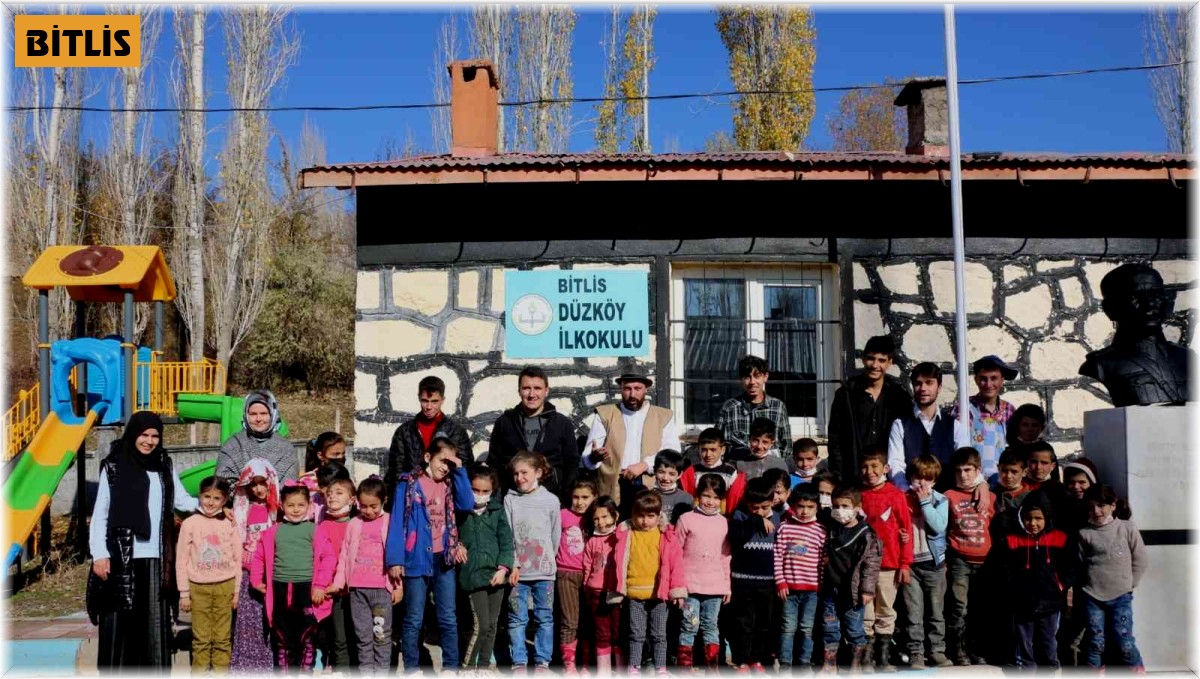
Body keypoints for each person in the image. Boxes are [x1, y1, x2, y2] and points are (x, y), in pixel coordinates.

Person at [87, 411, 201, 672]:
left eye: (155, 436)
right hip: (120, 557)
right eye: (144, 435)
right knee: (119, 625)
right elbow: (101, 512)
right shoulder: (114, 465)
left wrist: (213, 508)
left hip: (156, 557)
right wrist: (100, 554)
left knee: (153, 626)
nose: (149, 441)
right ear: (133, 433)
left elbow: (181, 500)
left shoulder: (164, 464)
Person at [386, 437, 473, 673]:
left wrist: (460, 470)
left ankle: (451, 668)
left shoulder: (451, 483)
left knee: (448, 617)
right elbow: (396, 521)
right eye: (442, 460)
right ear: (427, 457)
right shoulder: (408, 483)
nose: (446, 466)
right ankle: (413, 668)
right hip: (415, 558)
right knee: (413, 619)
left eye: (450, 463)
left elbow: (466, 504)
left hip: (443, 558)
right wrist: (395, 559)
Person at [1079, 262, 1193, 407]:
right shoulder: (1101, 366)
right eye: (1135, 297)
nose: (1150, 303)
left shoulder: (1187, 358)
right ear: (1110, 308)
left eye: (1156, 294)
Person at [249, 482, 327, 672]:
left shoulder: (314, 530)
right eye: (291, 505)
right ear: (282, 507)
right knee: (283, 636)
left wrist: (320, 585)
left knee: (307, 636)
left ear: (309, 506)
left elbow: (328, 558)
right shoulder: (273, 531)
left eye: (301, 505)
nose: (296, 509)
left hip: (306, 589)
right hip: (280, 589)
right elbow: (259, 556)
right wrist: (256, 580)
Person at [998, 491, 1077, 670]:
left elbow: (1071, 565)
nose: (1033, 523)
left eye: (1038, 518)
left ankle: (1050, 669)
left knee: (1049, 641)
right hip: (1022, 602)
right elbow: (1003, 567)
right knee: (1024, 642)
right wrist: (1014, 587)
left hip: (1051, 601)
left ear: (1047, 517)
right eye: (1028, 518)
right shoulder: (1011, 540)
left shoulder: (1060, 538)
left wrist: (1061, 584)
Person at [330, 477, 400, 676]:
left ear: (384, 501)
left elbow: (396, 556)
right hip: (357, 591)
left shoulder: (389, 521)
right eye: (363, 506)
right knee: (363, 637)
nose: (368, 511)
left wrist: (398, 586)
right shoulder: (353, 523)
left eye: (373, 506)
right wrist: (339, 582)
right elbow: (345, 554)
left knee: (381, 636)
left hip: (381, 590)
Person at [581, 373, 681, 507]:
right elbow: (588, 456)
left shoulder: (663, 416)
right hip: (613, 483)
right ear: (620, 389)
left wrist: (645, 465)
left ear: (646, 389)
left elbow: (672, 452)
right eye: (627, 388)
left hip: (649, 482)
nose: (632, 394)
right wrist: (594, 457)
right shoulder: (605, 414)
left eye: (637, 388)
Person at [502, 451, 563, 672]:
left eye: (524, 472)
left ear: (538, 472)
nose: (519, 478)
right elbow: (507, 536)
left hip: (544, 573)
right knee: (517, 618)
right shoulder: (510, 500)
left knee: (544, 618)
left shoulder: (551, 501)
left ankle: (542, 662)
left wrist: (548, 561)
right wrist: (514, 564)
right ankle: (519, 661)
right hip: (518, 573)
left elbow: (555, 535)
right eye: (516, 473)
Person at [616, 490, 687, 676]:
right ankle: (634, 666)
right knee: (636, 634)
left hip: (659, 594)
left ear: (658, 516)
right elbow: (618, 564)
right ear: (632, 515)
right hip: (634, 594)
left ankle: (660, 667)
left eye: (650, 516)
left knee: (659, 635)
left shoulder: (666, 535)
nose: (645, 521)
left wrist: (677, 590)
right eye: (640, 516)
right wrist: (617, 590)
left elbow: (676, 564)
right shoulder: (626, 535)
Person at [1077, 484, 1147, 671]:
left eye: (1101, 505)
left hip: (1121, 596)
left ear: (1112, 505)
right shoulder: (1085, 533)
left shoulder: (1126, 528)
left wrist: (1130, 584)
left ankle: (1138, 672)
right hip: (1092, 597)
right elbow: (1080, 564)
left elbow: (1140, 559)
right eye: (1091, 506)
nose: (1096, 511)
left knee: (1124, 643)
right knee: (1095, 643)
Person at [827, 336, 914, 485]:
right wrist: (838, 476)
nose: (875, 365)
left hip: (889, 478)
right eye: (870, 358)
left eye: (881, 360)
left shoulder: (899, 396)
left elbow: (908, 438)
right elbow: (835, 439)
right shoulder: (846, 394)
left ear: (890, 362)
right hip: (853, 476)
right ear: (863, 358)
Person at [176, 476, 241, 673]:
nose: (211, 502)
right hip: (199, 588)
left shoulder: (230, 523)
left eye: (216, 498)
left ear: (225, 500)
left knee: (222, 637)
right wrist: (184, 593)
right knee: (201, 638)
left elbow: (238, 558)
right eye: (206, 496)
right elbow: (182, 560)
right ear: (200, 496)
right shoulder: (190, 523)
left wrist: (236, 591)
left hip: (225, 586)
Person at [488, 366, 582, 501]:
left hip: (551, 498)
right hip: (513, 498)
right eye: (526, 388)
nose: (532, 394)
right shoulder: (504, 423)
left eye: (537, 388)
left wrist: (565, 496)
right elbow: (494, 463)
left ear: (546, 391)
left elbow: (571, 463)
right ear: (519, 391)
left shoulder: (562, 423)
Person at [857, 447, 913, 671]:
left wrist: (905, 564)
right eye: (864, 467)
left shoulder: (896, 495)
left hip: (889, 565)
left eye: (874, 467)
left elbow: (906, 530)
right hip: (863, 566)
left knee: (886, 610)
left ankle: (883, 657)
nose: (869, 471)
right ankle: (866, 658)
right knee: (866, 611)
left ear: (886, 468)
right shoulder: (859, 494)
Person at [457, 464, 514, 673]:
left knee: (491, 626)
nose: (480, 495)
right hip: (473, 577)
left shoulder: (497, 511)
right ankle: (467, 667)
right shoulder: (460, 511)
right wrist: (456, 545)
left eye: (485, 491)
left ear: (493, 491)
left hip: (496, 577)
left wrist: (503, 569)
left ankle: (483, 666)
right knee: (479, 626)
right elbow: (451, 535)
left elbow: (506, 542)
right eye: (475, 490)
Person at [819, 485, 882, 672]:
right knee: (829, 627)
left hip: (852, 592)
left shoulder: (866, 534)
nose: (840, 511)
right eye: (836, 506)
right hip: (831, 588)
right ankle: (829, 665)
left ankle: (856, 666)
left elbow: (871, 565)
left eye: (846, 506)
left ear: (857, 507)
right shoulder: (831, 528)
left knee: (854, 628)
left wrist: (867, 589)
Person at [384, 375, 473, 505]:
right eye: (425, 401)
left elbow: (465, 468)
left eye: (434, 401)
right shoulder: (404, 431)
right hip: (413, 498)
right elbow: (396, 471)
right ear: (418, 398)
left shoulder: (457, 432)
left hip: (445, 498)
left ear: (443, 400)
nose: (429, 407)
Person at [943, 447, 995, 666]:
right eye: (958, 471)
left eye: (968, 470)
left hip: (985, 560)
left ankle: (978, 648)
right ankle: (958, 650)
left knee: (981, 608)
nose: (963, 475)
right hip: (959, 559)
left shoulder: (991, 496)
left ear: (978, 470)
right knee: (959, 606)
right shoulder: (948, 496)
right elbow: (941, 529)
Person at [724, 477, 782, 673]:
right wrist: (757, 519)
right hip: (742, 581)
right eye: (754, 507)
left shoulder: (778, 518)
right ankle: (742, 660)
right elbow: (737, 537)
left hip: (767, 582)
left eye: (764, 507)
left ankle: (757, 658)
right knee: (743, 623)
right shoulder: (740, 516)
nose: (759, 511)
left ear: (772, 501)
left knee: (763, 623)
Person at [674, 474, 732, 672]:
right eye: (707, 496)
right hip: (689, 587)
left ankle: (712, 667)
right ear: (698, 495)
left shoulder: (724, 523)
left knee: (710, 626)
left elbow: (725, 556)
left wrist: (727, 586)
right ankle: (684, 667)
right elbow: (676, 553)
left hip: (715, 587)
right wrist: (677, 585)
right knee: (689, 626)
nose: (711, 501)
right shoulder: (686, 519)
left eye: (716, 497)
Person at [900, 456, 952, 669]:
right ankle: (916, 652)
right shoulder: (902, 499)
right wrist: (900, 534)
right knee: (914, 612)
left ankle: (937, 650)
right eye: (917, 477)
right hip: (911, 565)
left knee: (936, 611)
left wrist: (923, 502)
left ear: (934, 481)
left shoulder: (940, 500)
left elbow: (938, 526)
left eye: (927, 479)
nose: (921, 483)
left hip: (934, 564)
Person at [886, 362, 970, 491]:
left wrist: (981, 484)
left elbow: (967, 461)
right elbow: (895, 464)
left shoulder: (955, 426)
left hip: (946, 499)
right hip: (911, 498)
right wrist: (907, 491)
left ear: (939, 387)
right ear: (913, 386)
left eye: (929, 383)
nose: (923, 388)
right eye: (918, 383)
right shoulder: (900, 424)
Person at [230, 460, 281, 672]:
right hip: (247, 571)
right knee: (248, 621)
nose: (258, 488)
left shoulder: (278, 512)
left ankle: (269, 664)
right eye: (253, 484)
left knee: (269, 619)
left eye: (262, 483)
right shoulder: (243, 510)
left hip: (270, 572)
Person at [773, 484, 827, 672]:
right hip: (788, 589)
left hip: (811, 591)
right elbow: (778, 556)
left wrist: (819, 584)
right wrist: (780, 582)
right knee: (788, 627)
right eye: (800, 506)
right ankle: (785, 662)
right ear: (793, 505)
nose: (804, 511)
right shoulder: (785, 528)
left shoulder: (820, 531)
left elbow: (821, 561)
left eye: (810, 506)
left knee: (806, 627)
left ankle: (804, 662)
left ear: (817, 507)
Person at [311, 473, 357, 672]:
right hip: (333, 591)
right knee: (338, 637)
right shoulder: (322, 526)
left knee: (358, 634)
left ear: (352, 499)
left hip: (356, 589)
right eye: (329, 494)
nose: (332, 497)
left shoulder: (356, 524)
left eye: (339, 493)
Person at [949, 355, 1019, 486]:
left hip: (1002, 481)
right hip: (971, 481)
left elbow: (1015, 447)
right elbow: (956, 447)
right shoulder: (963, 409)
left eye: (994, 379)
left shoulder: (1009, 410)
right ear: (976, 380)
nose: (988, 384)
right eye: (983, 379)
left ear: (1002, 380)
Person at [557, 479, 598, 673]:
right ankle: (569, 665)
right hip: (567, 573)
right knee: (570, 620)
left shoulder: (598, 517)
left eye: (585, 497)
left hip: (592, 575)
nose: (580, 502)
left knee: (589, 620)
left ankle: (586, 662)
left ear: (594, 498)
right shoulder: (563, 515)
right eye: (576, 497)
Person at [715, 354, 792, 457]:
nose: (752, 382)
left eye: (757, 376)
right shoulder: (730, 407)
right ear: (741, 379)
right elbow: (716, 443)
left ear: (765, 377)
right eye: (747, 377)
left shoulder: (778, 407)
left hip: (769, 469)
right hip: (737, 469)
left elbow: (786, 446)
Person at [216, 389, 299, 483]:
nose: (258, 419)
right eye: (253, 414)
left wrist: (270, 492)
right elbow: (222, 482)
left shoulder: (286, 449)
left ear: (273, 414)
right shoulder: (232, 445)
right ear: (245, 416)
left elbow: (290, 485)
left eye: (264, 413)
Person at [581, 496, 624, 673]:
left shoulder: (621, 537)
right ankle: (603, 671)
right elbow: (587, 567)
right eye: (596, 518)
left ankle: (622, 670)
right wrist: (586, 587)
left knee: (618, 632)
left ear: (615, 516)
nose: (601, 522)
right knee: (602, 634)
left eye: (605, 516)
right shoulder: (592, 541)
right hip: (596, 592)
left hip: (616, 592)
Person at [678, 427, 745, 516]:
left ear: (723, 450)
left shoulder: (731, 472)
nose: (708, 454)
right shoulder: (692, 472)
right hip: (697, 517)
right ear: (699, 449)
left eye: (713, 450)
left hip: (722, 518)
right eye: (704, 450)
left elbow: (733, 500)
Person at [649, 450, 692, 527]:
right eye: (661, 472)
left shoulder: (687, 499)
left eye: (671, 474)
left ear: (679, 474)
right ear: (655, 470)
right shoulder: (647, 497)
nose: (665, 478)